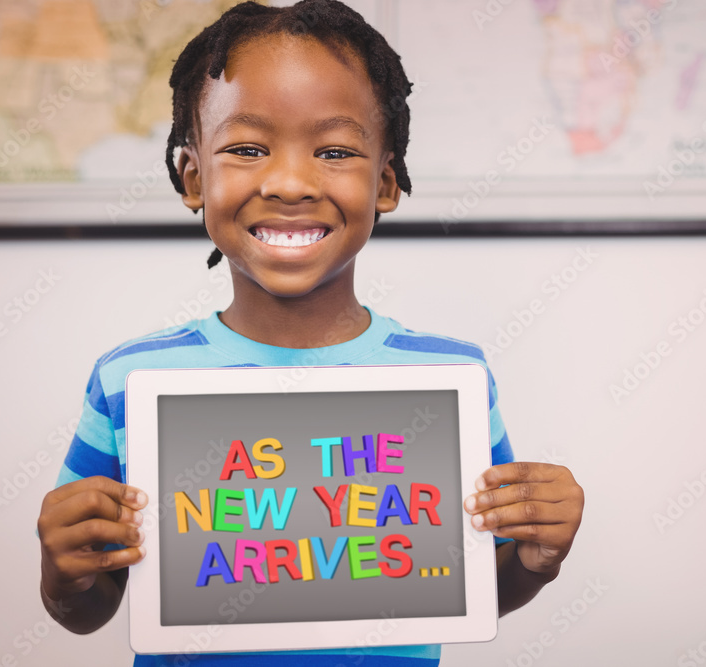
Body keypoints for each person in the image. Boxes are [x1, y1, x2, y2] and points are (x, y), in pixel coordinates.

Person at [36, 1, 584, 665]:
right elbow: (89, 606)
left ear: (385, 183)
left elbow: (469, 584)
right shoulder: (128, 380)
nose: (290, 182)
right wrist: (66, 570)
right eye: (246, 148)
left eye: (334, 150)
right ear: (192, 178)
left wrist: (536, 556)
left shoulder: (452, 380)